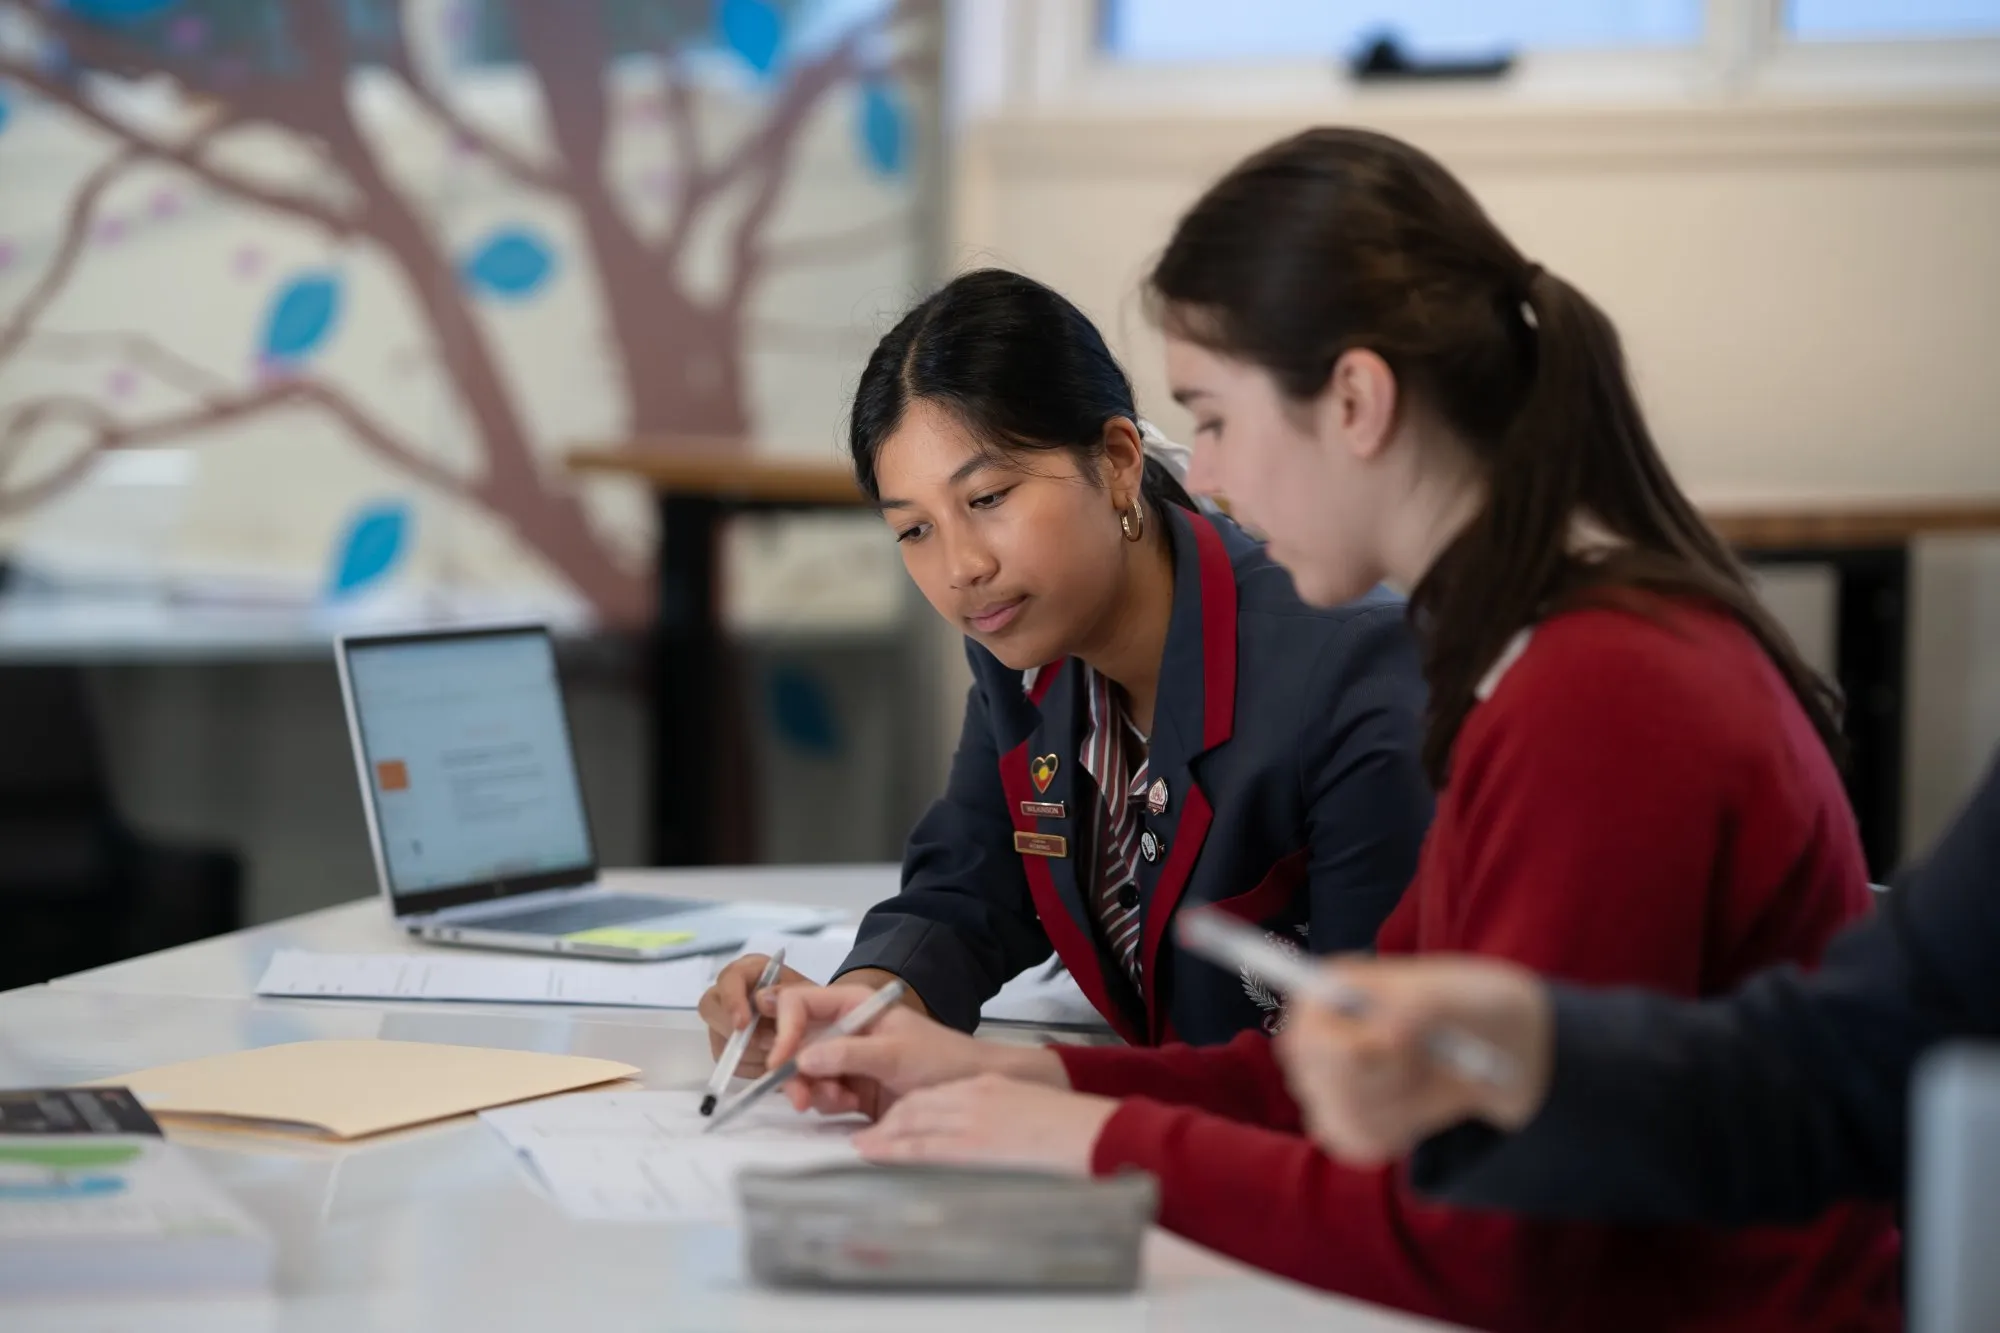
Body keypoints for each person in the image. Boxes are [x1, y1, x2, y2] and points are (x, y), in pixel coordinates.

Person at [748, 129, 1903, 1333]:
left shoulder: (1594, 695)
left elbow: (1489, 1236)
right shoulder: (1540, 658)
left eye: (1215, 416)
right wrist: (1010, 1073)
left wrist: (1090, 1140)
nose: (1214, 477)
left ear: (1354, 401)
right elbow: (1347, 1067)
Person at [700, 268, 1432, 1064]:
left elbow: (1381, 1060)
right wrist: (859, 1007)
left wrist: (1043, 1087)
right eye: (914, 531)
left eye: (987, 499)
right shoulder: (1021, 650)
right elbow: (972, 882)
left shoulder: (1354, 664)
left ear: (1118, 459)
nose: (961, 566)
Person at [1270, 749, 2000, 1227]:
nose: (1218, 498)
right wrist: (1537, 1045)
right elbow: (1857, 1062)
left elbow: (1502, 1257)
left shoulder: (1595, 698)